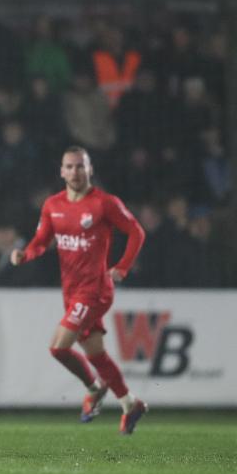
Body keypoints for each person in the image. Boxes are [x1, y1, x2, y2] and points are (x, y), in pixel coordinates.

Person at [10, 146, 147, 434]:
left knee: (58, 347)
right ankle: (130, 403)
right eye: (69, 167)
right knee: (95, 354)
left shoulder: (104, 203)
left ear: (90, 169)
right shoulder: (53, 205)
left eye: (80, 166)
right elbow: (41, 240)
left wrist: (122, 266)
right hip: (71, 291)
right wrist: (25, 254)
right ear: (61, 171)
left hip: (95, 290)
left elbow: (136, 232)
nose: (75, 172)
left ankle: (95, 389)